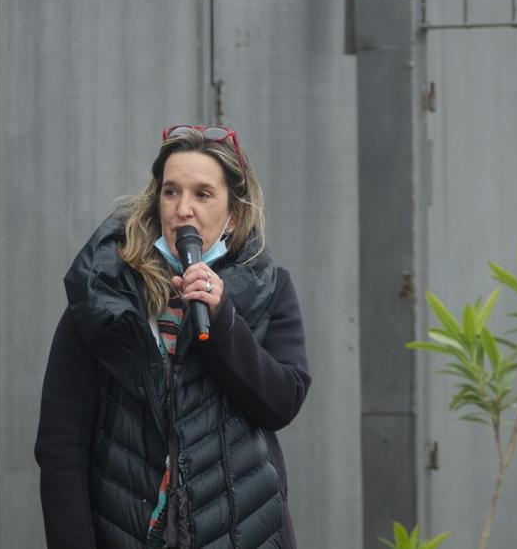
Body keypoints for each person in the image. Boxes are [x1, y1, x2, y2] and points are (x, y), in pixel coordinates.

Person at [35, 125, 311, 549]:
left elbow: (280, 402)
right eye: (171, 192)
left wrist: (222, 321)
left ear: (233, 213)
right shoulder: (104, 291)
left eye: (203, 194)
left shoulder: (269, 290)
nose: (184, 209)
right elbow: (61, 443)